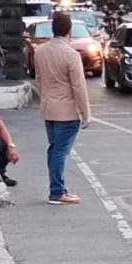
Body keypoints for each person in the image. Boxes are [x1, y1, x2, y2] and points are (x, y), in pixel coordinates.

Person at [35, 12, 91, 205]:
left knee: (54, 149)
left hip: (48, 108)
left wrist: (46, 99)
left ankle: (57, 189)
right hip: (66, 110)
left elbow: (39, 80)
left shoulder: (40, 51)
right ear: (69, 30)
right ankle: (57, 191)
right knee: (60, 151)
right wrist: (85, 114)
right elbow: (79, 86)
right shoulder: (71, 54)